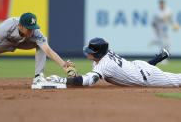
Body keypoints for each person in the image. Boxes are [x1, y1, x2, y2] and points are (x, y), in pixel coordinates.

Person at [0, 12, 74, 84]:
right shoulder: (7, 26)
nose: (31, 31)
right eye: (29, 29)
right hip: (5, 42)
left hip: (23, 42)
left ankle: (38, 76)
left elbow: (48, 50)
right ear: (20, 26)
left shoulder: (36, 33)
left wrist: (64, 65)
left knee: (41, 46)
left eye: (33, 28)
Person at [47, 37, 181, 87]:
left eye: (91, 51)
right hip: (137, 66)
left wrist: (62, 80)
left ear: (98, 53)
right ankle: (160, 57)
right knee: (138, 68)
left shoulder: (105, 63)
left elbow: (89, 81)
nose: (88, 52)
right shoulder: (105, 54)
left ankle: (160, 57)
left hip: (147, 76)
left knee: (177, 80)